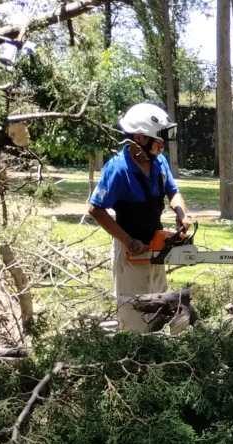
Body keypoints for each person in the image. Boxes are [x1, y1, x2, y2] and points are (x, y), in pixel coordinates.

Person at [87, 102, 189, 333]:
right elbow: (96, 209)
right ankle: (133, 360)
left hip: (156, 243)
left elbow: (173, 191)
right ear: (141, 138)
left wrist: (181, 213)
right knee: (134, 314)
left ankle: (159, 357)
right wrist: (128, 241)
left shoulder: (158, 163)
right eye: (158, 140)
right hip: (130, 249)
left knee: (161, 307)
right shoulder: (118, 169)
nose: (162, 145)